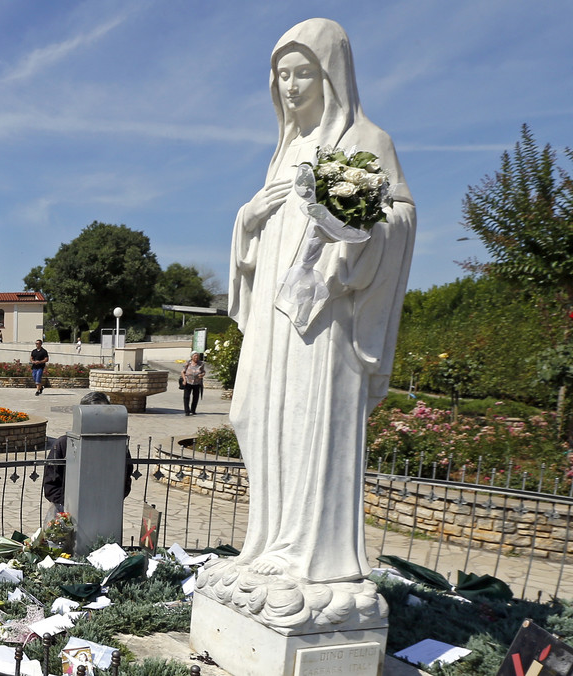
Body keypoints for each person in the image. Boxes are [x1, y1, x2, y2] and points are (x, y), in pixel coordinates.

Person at [221, 18, 415, 586]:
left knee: (310, 423)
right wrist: (246, 220)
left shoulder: (367, 141)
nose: (290, 86)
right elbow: (261, 235)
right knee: (252, 414)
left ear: (331, 75)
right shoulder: (283, 152)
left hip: (326, 318)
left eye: (303, 73)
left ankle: (309, 555)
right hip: (273, 319)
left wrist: (358, 228)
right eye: (282, 75)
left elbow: (398, 216)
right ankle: (268, 539)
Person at [42, 392, 132, 521]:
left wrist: (108, 502)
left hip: (105, 512)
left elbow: (125, 479)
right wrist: (70, 506)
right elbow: (50, 484)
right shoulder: (64, 444)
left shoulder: (118, 446)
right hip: (67, 514)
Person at [181, 352, 206, 416]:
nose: (196, 357)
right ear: (191, 357)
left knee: (195, 397)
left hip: (197, 382)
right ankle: (187, 411)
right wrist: (184, 380)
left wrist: (202, 375)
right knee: (186, 397)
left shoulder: (201, 363)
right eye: (195, 356)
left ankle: (193, 410)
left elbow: (203, 371)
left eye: (197, 356)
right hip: (188, 382)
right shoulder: (188, 363)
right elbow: (183, 372)